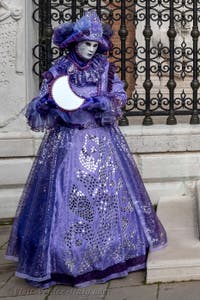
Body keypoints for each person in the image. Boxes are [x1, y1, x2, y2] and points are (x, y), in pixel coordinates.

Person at [5, 10, 167, 288]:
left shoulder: (104, 68)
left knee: (107, 195)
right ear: (73, 43)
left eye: (95, 45)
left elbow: (118, 95)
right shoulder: (58, 71)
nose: (91, 49)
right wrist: (45, 105)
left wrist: (104, 102)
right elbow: (40, 105)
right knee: (66, 195)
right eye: (86, 43)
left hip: (102, 140)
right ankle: (63, 256)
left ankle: (112, 252)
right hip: (68, 143)